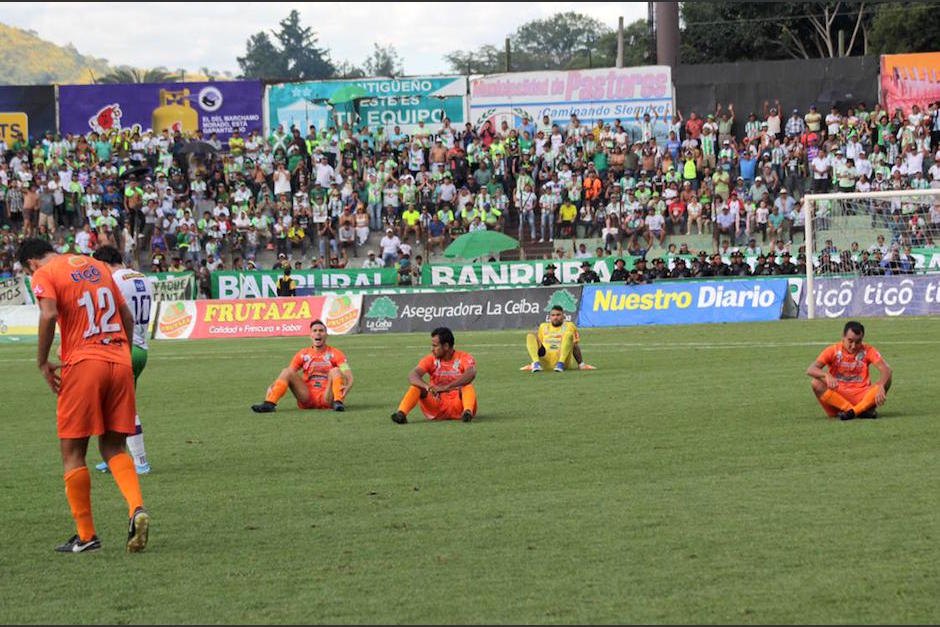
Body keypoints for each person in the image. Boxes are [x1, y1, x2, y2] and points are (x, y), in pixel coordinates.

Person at [18, 238, 150, 553]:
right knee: (115, 445)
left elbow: (48, 314)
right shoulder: (96, 266)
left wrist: (42, 362)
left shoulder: (45, 273)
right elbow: (127, 318)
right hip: (120, 361)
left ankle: (86, 536)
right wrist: (121, 356)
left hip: (83, 364)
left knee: (73, 452)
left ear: (32, 264)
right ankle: (136, 508)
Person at [91, 246, 153, 475]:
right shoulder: (142, 277)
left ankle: (140, 461)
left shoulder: (112, 281)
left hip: (122, 348)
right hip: (141, 348)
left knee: (123, 407)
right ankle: (113, 456)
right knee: (112, 405)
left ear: (104, 263)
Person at [251, 320, 354, 413]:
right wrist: (272, 386)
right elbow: (286, 374)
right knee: (287, 371)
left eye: (321, 331)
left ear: (326, 335)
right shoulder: (303, 354)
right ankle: (269, 403)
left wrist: (348, 386)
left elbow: (347, 373)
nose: (318, 333)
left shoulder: (335, 353)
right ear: (311, 335)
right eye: (315, 330)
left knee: (335, 371)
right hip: (307, 397)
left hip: (327, 397)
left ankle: (338, 403)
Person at [806, 320, 893, 420]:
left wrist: (881, 385)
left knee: (887, 378)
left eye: (858, 342)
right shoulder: (833, 350)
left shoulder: (868, 350)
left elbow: (887, 369)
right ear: (843, 336)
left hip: (861, 396)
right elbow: (810, 369)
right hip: (839, 397)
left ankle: (852, 412)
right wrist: (826, 375)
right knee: (816, 382)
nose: (853, 346)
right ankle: (857, 411)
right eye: (850, 341)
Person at [391, 327, 477, 424]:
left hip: (459, 405)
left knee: (467, 386)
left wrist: (446, 387)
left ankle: (467, 412)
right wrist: (427, 387)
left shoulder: (463, 357)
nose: (432, 349)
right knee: (416, 386)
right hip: (436, 405)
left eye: (435, 346)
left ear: (446, 346)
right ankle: (401, 413)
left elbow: (471, 372)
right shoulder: (430, 359)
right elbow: (413, 375)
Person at [525, 305, 594, 373]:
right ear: (550, 317)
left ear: (563, 316)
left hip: (563, 361)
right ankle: (536, 364)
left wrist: (581, 364)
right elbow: (537, 346)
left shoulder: (570, 326)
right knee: (530, 336)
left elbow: (575, 345)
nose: (555, 317)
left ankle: (560, 364)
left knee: (568, 334)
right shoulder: (543, 326)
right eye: (553, 315)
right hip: (545, 360)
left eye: (558, 315)